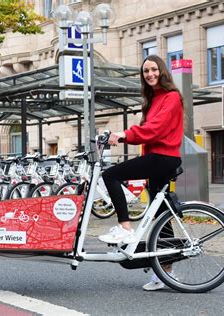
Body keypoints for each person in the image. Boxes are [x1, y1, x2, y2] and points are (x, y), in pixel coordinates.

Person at [97, 54, 184, 291]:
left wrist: (125, 134)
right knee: (161, 214)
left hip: (163, 157)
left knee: (111, 175)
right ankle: (165, 273)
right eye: (146, 71)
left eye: (154, 70)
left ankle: (125, 228)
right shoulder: (152, 100)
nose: (150, 74)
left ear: (162, 71)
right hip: (156, 158)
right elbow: (148, 131)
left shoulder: (172, 97)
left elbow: (154, 129)